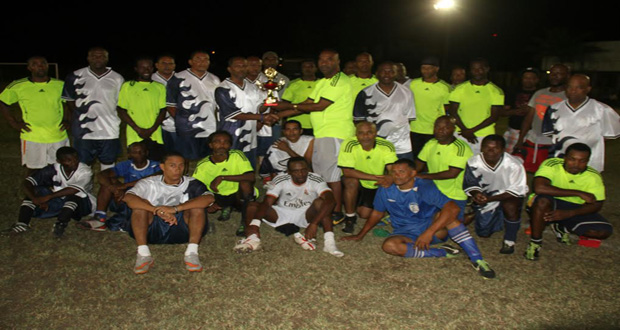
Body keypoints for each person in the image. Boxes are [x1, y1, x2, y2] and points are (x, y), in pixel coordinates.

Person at [341, 159, 496, 279]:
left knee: (450, 217)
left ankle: (478, 260)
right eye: (394, 172)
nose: (396, 176)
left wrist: (429, 233)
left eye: (401, 172)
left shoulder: (424, 186)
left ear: (413, 173)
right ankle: (441, 252)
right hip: (406, 233)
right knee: (389, 246)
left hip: (433, 230)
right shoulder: (386, 188)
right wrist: (360, 235)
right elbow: (377, 213)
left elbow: (453, 208)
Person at [273, 49, 355, 224]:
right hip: (324, 133)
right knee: (323, 174)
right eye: (321, 59)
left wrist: (289, 107)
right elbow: (307, 104)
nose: (324, 63)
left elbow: (319, 106)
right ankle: (328, 208)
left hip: (335, 133)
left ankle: (336, 211)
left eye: (329, 59)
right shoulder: (323, 82)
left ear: (338, 61)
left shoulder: (339, 81)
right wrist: (278, 114)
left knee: (331, 177)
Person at [124, 151, 214, 274]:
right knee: (140, 206)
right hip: (151, 230)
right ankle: (143, 254)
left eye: (181, 165)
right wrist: (156, 210)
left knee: (197, 206)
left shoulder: (191, 182)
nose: (178, 169)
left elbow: (209, 198)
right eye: (172, 165)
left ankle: (192, 252)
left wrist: (175, 209)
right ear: (162, 167)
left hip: (183, 229)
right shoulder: (149, 183)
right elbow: (128, 197)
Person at [234, 157, 344, 257]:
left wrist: (314, 223)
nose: (301, 174)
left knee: (323, 203)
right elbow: (267, 202)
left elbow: (331, 201)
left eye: (304, 170)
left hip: (306, 214)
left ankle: (329, 243)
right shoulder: (280, 179)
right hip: (282, 212)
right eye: (296, 171)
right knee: (252, 206)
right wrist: (255, 223)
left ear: (308, 169)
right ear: (289, 172)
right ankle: (253, 238)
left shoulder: (316, 179)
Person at [524, 143, 612, 261]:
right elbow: (540, 188)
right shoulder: (552, 164)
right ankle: (535, 243)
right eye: (572, 159)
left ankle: (561, 226)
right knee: (542, 201)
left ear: (588, 161)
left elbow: (597, 205)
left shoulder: (593, 176)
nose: (576, 164)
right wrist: (578, 193)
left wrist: (569, 213)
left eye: (582, 161)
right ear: (565, 157)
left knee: (603, 232)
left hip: (574, 208)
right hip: (550, 201)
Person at [2, 147, 95, 238]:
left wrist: (48, 197)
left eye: (75, 159)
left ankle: (60, 225)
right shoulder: (53, 169)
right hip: (59, 201)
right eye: (68, 160)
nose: (74, 162)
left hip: (82, 205)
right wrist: (35, 199)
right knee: (35, 191)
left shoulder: (85, 171)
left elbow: (73, 189)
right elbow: (27, 183)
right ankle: (22, 225)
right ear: (59, 161)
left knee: (73, 196)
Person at [0, 56, 69, 173]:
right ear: (29, 68)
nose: (40, 66)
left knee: (59, 168)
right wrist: (14, 123)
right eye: (35, 64)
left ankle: (55, 189)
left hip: (57, 134)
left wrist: (68, 120)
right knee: (33, 170)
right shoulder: (18, 86)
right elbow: (3, 102)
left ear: (47, 66)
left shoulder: (60, 85)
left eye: (43, 63)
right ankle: (33, 190)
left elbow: (69, 103)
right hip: (32, 135)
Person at [541, 74, 620, 172]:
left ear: (588, 89)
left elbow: (610, 134)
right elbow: (550, 134)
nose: (573, 91)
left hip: (590, 161)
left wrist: (590, 140)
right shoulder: (553, 108)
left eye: (579, 87)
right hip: (560, 158)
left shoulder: (602, 109)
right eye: (570, 87)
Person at [463, 135, 528, 254]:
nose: (491, 151)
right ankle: (488, 213)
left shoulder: (514, 165)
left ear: (503, 149)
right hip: (488, 196)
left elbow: (516, 191)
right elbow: (470, 183)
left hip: (508, 195)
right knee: (483, 233)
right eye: (487, 147)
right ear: (481, 148)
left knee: (510, 207)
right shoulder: (473, 162)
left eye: (495, 148)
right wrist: (477, 194)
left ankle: (509, 240)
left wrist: (490, 199)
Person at [76, 141, 161, 231]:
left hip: (144, 199)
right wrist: (114, 188)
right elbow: (101, 175)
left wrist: (125, 186)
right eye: (135, 152)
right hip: (124, 196)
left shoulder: (156, 166)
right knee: (110, 181)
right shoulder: (126, 165)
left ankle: (122, 221)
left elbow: (152, 179)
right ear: (129, 155)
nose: (139, 155)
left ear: (146, 153)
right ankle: (100, 218)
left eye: (141, 152)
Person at [62, 47, 124, 170]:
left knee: (108, 163)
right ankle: (83, 189)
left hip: (109, 129)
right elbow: (69, 101)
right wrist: (79, 115)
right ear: (88, 58)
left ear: (107, 59)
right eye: (94, 56)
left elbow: (119, 104)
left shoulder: (117, 78)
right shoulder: (75, 76)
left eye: (101, 56)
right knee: (83, 165)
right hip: (83, 130)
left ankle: (107, 189)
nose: (97, 58)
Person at [338, 122, 397, 233]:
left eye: (369, 132)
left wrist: (389, 177)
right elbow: (347, 172)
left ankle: (357, 203)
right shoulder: (349, 144)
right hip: (356, 182)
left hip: (373, 185)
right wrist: (376, 177)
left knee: (365, 214)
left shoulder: (386, 145)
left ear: (376, 133)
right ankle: (350, 217)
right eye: (361, 133)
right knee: (351, 182)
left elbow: (392, 169)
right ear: (356, 134)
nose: (365, 136)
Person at [192, 131, 255, 234]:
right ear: (211, 145)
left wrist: (222, 177)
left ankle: (245, 222)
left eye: (226, 142)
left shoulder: (237, 155)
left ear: (230, 145)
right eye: (217, 142)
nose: (222, 144)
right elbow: (195, 186)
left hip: (238, 195)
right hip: (218, 197)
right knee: (200, 198)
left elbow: (251, 177)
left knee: (245, 184)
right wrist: (208, 204)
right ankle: (226, 207)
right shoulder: (203, 165)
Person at [215, 57, 272, 169]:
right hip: (231, 135)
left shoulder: (252, 87)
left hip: (250, 135)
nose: (241, 69)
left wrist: (268, 103)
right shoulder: (223, 88)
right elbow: (233, 114)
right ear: (229, 69)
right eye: (238, 66)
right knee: (230, 167)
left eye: (244, 66)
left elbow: (258, 108)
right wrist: (261, 117)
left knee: (249, 167)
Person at [353, 62, 416, 160]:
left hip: (401, 144)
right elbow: (358, 120)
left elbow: (409, 118)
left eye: (391, 71)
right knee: (377, 173)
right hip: (376, 143)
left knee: (404, 172)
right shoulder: (365, 93)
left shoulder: (407, 92)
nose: (387, 74)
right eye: (383, 71)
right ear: (377, 74)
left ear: (396, 73)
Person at [514, 64, 570, 173]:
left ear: (567, 76)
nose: (555, 76)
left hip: (554, 143)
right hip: (535, 140)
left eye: (559, 74)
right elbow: (529, 117)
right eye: (552, 73)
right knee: (530, 172)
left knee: (551, 173)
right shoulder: (540, 93)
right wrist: (521, 139)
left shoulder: (568, 96)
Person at [166, 50, 218, 160]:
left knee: (207, 158)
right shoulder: (178, 78)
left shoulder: (215, 79)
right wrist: (182, 120)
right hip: (187, 128)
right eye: (198, 59)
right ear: (190, 62)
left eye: (205, 59)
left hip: (209, 127)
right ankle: (184, 177)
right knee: (185, 158)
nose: (202, 62)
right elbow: (170, 105)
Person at [415, 116, 472, 217]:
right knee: (422, 222)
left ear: (453, 129)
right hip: (434, 190)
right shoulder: (431, 144)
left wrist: (423, 176)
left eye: (445, 128)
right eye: (437, 127)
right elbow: (417, 165)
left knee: (448, 229)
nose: (440, 130)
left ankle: (469, 215)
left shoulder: (461, 148)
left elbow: (452, 173)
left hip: (454, 195)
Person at [448, 58, 504, 154]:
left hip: (483, 135)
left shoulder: (496, 91)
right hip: (460, 133)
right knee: (458, 163)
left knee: (479, 164)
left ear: (487, 69)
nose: (477, 72)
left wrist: (471, 131)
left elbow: (494, 116)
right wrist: (465, 130)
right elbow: (453, 112)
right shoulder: (459, 89)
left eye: (480, 69)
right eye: (474, 69)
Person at [117, 57, 166, 160]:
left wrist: (152, 129)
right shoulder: (127, 86)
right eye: (142, 68)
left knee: (155, 165)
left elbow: (163, 110)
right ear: (136, 69)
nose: (146, 70)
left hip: (155, 135)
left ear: (153, 69)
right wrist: (137, 129)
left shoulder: (159, 87)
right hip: (135, 135)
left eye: (149, 67)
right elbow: (121, 110)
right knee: (136, 165)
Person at [408, 56, 451, 160]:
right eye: (423, 68)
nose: (425, 70)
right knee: (416, 158)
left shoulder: (445, 87)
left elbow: (447, 109)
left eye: (429, 68)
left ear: (436, 69)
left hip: (434, 130)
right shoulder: (413, 84)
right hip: (414, 128)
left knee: (432, 158)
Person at [256, 51, 291, 166]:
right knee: (254, 146)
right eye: (267, 59)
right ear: (262, 61)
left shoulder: (284, 79)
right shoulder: (255, 77)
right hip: (255, 119)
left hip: (275, 119)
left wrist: (274, 115)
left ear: (277, 61)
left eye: (273, 59)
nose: (270, 61)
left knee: (273, 147)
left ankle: (269, 172)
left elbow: (286, 100)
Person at [500, 67, 540, 153]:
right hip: (514, 130)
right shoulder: (513, 92)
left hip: (532, 132)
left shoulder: (540, 93)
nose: (528, 80)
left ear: (536, 80)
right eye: (526, 78)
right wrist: (515, 111)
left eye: (531, 78)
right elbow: (503, 112)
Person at [280, 60, 318, 135]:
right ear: (301, 69)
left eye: (311, 66)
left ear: (316, 68)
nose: (308, 69)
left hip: (317, 124)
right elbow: (285, 104)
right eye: (304, 67)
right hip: (296, 125)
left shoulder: (323, 83)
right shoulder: (293, 84)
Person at [151, 55, 178, 153]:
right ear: (156, 65)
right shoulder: (150, 79)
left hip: (176, 122)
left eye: (170, 63)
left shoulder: (181, 78)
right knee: (158, 152)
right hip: (155, 123)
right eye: (164, 63)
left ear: (174, 65)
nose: (167, 66)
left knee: (178, 153)